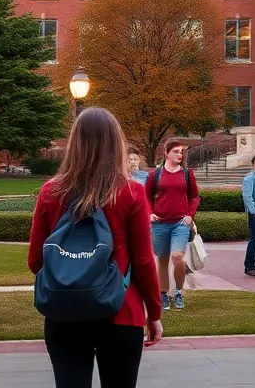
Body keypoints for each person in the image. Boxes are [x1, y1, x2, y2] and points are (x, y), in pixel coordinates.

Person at [28, 107, 162, 388]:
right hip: (121, 311)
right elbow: (143, 261)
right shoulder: (130, 192)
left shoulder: (51, 192)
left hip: (64, 312)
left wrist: (69, 279)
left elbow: (35, 260)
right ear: (116, 143)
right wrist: (154, 313)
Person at [145, 139, 199, 311]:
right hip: (159, 224)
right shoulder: (155, 174)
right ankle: (163, 294)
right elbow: (145, 197)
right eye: (176, 151)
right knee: (162, 260)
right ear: (166, 153)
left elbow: (194, 197)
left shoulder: (187, 174)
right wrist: (149, 213)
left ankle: (178, 291)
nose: (179, 154)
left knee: (177, 257)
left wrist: (190, 216)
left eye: (181, 152)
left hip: (180, 224)